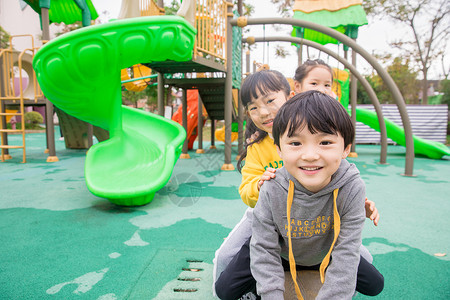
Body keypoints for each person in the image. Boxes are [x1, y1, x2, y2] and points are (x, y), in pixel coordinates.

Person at [214, 65, 383, 299]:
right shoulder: (259, 149)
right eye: (254, 108)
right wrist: (262, 187)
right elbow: (249, 192)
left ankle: (317, 269)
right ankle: (256, 287)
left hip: (320, 223)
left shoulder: (344, 176)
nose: (309, 155)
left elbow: (347, 242)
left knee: (367, 272)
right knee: (227, 265)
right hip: (271, 212)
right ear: (280, 148)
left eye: (270, 101)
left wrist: (355, 203)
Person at [251, 90, 376, 299]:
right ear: (279, 149)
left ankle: (309, 273)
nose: (310, 156)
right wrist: (271, 294)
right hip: (283, 253)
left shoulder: (352, 187)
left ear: (345, 148)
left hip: (322, 252)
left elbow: (346, 253)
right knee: (226, 288)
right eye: (295, 143)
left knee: (374, 284)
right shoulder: (272, 186)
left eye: (325, 142)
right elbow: (264, 248)